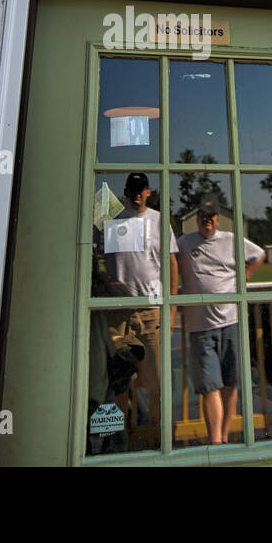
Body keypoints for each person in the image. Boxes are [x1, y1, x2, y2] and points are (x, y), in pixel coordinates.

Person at [92, 172, 177, 451]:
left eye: (142, 189)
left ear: (149, 192)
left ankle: (158, 438)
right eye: (132, 189)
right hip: (118, 315)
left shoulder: (159, 219)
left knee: (156, 382)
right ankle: (116, 442)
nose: (137, 194)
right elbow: (86, 247)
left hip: (151, 312)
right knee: (117, 382)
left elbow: (171, 263)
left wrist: (172, 307)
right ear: (126, 192)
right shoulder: (110, 219)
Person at [173, 195, 264, 445]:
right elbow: (168, 263)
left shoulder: (232, 240)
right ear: (197, 218)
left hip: (232, 321)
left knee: (230, 382)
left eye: (211, 216)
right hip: (200, 327)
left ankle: (223, 437)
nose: (207, 220)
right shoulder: (183, 242)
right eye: (202, 216)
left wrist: (245, 275)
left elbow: (259, 254)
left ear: (217, 219)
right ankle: (215, 442)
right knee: (209, 386)